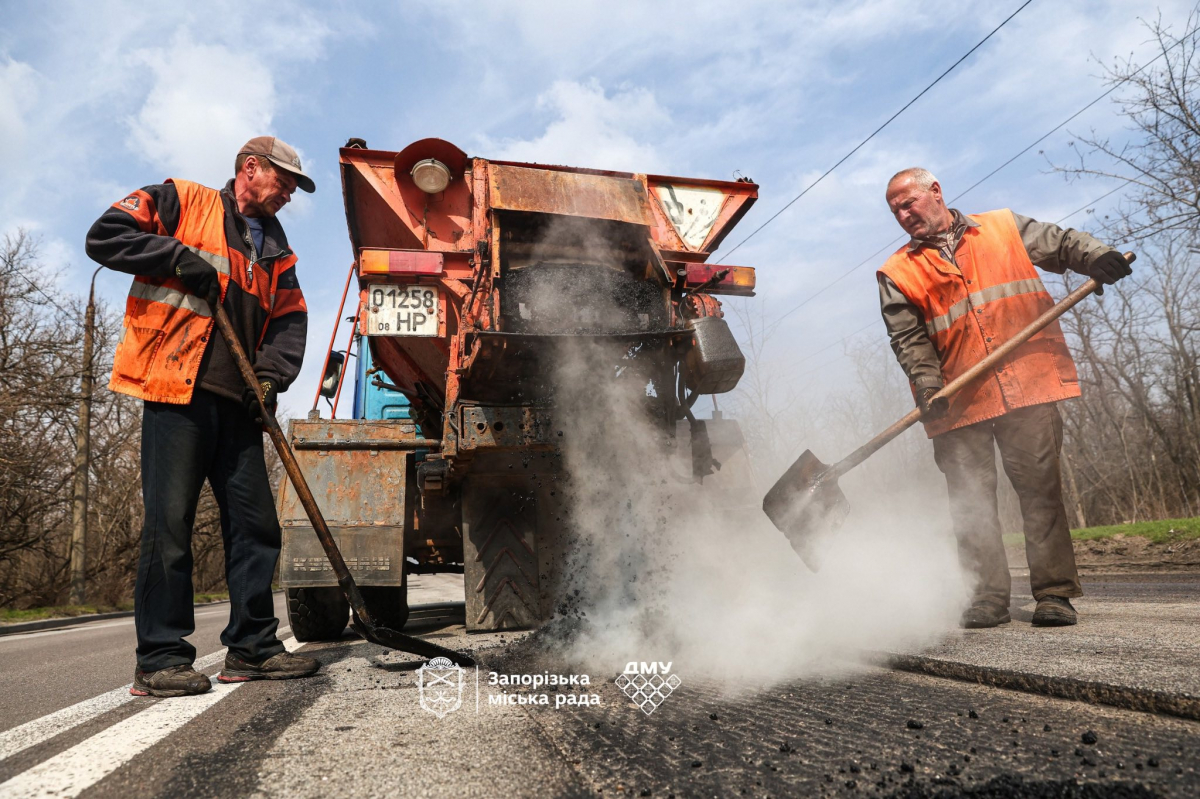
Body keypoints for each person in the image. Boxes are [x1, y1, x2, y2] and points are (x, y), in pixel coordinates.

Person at [86, 136, 321, 696]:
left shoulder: (279, 256)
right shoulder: (180, 202)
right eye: (284, 181)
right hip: (176, 390)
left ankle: (254, 647)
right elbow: (105, 236)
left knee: (258, 526)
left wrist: (268, 378)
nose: (289, 193)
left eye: (293, 186)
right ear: (250, 168)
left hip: (239, 404)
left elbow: (290, 324)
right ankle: (161, 658)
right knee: (170, 527)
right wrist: (173, 257)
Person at [877, 167, 1131, 629]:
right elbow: (909, 339)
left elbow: (1062, 242)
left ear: (935, 192)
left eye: (908, 202)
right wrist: (929, 386)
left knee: (1040, 493)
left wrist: (1098, 256)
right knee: (969, 503)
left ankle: (1054, 595)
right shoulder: (897, 271)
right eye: (895, 210)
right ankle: (987, 598)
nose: (902, 213)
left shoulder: (1001, 228)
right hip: (955, 401)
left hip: (1026, 382)